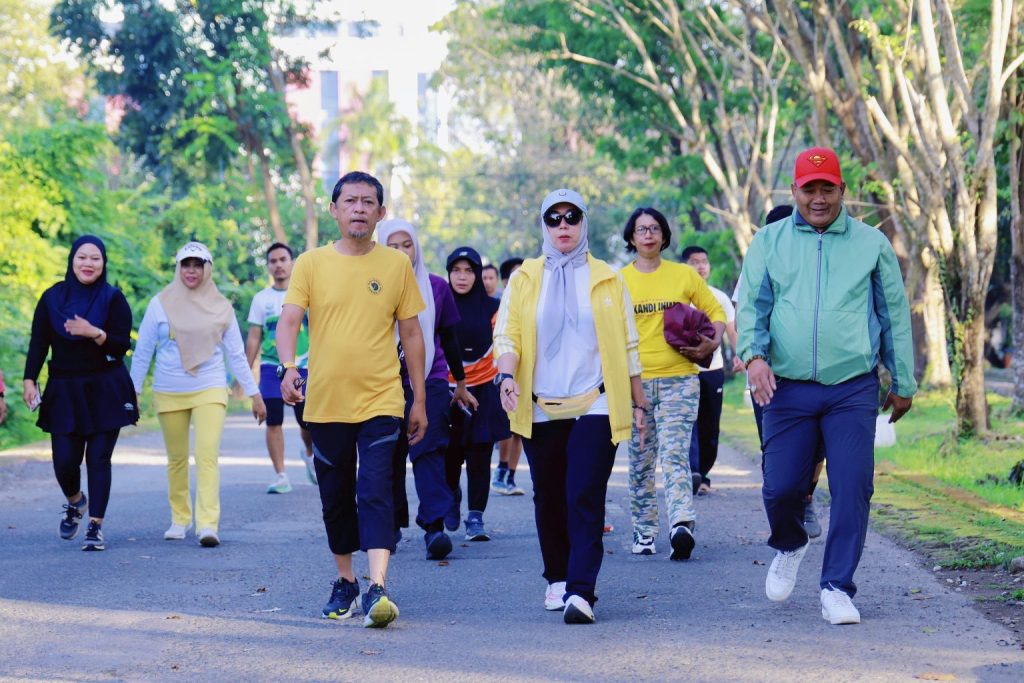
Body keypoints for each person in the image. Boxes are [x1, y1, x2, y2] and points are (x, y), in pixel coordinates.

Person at [737, 147, 916, 625]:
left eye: (828, 188)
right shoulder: (769, 241)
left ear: (843, 191)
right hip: (787, 387)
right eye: (809, 189)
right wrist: (753, 356)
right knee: (780, 489)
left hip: (851, 387)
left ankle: (837, 586)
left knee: (854, 485)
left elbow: (892, 313)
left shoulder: (870, 244)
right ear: (794, 191)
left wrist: (902, 380)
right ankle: (791, 542)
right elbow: (752, 306)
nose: (819, 198)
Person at [277, 171, 427, 629]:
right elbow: (289, 322)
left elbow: (412, 334)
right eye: (350, 201)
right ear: (335, 210)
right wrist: (288, 367)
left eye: (368, 202)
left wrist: (417, 399)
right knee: (336, 496)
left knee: (377, 490)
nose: (359, 208)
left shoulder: (396, 266)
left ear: (381, 213)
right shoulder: (310, 263)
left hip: (383, 399)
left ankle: (377, 587)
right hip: (325, 403)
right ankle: (346, 580)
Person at [494, 188, 648, 625]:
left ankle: (582, 591)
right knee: (549, 496)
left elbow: (629, 345)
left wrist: (639, 405)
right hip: (541, 404)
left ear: (584, 222)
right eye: (554, 219)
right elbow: (508, 336)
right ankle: (557, 576)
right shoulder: (524, 277)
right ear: (543, 226)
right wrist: (506, 376)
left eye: (571, 217)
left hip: (596, 402)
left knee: (583, 492)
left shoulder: (607, 278)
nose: (563, 226)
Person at [131, 241, 267, 548]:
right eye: (186, 265)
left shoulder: (221, 307)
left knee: (207, 456)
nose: (191, 271)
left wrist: (254, 394)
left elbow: (235, 354)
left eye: (198, 265)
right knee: (176, 459)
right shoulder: (160, 304)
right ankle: (180, 518)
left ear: (207, 268)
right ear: (178, 268)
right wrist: (133, 391)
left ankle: (208, 523)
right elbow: (143, 352)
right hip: (169, 389)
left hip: (209, 385)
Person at [620, 210, 726, 560]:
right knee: (640, 461)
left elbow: (717, 312)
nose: (648, 235)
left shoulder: (684, 275)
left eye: (654, 229)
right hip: (635, 386)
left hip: (680, 380)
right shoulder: (618, 282)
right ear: (631, 238)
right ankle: (644, 530)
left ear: (664, 236)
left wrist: (713, 343)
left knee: (675, 453)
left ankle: (681, 523)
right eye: (641, 230)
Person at [23, 235, 139, 551]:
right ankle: (76, 502)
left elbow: (121, 345)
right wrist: (29, 379)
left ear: (103, 264)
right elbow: (38, 343)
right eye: (82, 258)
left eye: (95, 259)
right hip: (63, 388)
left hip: (105, 387)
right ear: (72, 260)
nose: (88, 264)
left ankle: (95, 526)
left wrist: (95, 333)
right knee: (64, 461)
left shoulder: (113, 298)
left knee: (99, 459)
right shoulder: (51, 299)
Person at [379, 219, 475, 560]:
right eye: (393, 246)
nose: (402, 252)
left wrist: (460, 385)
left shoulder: (436, 287)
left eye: (407, 244)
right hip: (382, 379)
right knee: (388, 452)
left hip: (430, 378)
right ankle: (389, 525)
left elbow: (449, 339)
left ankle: (434, 527)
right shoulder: (371, 285)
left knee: (429, 446)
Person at [734, 204, 825, 539]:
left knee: (819, 445)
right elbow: (744, 315)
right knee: (775, 448)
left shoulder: (818, 264)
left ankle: (808, 496)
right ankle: (787, 509)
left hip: (815, 376)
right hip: (768, 377)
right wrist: (749, 357)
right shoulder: (757, 263)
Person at [445, 246, 511, 541]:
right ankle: (451, 496)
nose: (462, 277)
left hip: (485, 386)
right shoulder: (438, 305)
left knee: (480, 452)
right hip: (446, 387)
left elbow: (503, 345)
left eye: (468, 270)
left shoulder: (494, 308)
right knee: (449, 453)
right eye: (456, 270)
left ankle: (475, 517)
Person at [245, 242, 316, 494]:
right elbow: (254, 336)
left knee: (306, 421)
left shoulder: (306, 293)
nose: (278, 265)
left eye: (283, 259)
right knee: (272, 420)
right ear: (268, 266)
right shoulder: (261, 299)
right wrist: (245, 374)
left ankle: (309, 454)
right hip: (271, 368)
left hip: (303, 366)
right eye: (273, 261)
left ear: (292, 262)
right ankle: (281, 475)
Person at [680, 245, 736, 496]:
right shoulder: (678, 297)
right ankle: (692, 472)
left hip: (713, 370)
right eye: (694, 262)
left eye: (704, 261)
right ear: (685, 267)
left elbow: (731, 330)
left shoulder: (718, 297)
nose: (701, 266)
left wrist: (742, 356)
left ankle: (703, 474)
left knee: (710, 425)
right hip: (683, 370)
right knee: (687, 421)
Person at [492, 257, 526, 496]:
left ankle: (510, 475)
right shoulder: (495, 306)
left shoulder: (534, 305)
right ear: (506, 281)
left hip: (525, 375)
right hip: (500, 375)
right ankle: (501, 469)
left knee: (520, 430)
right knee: (507, 427)